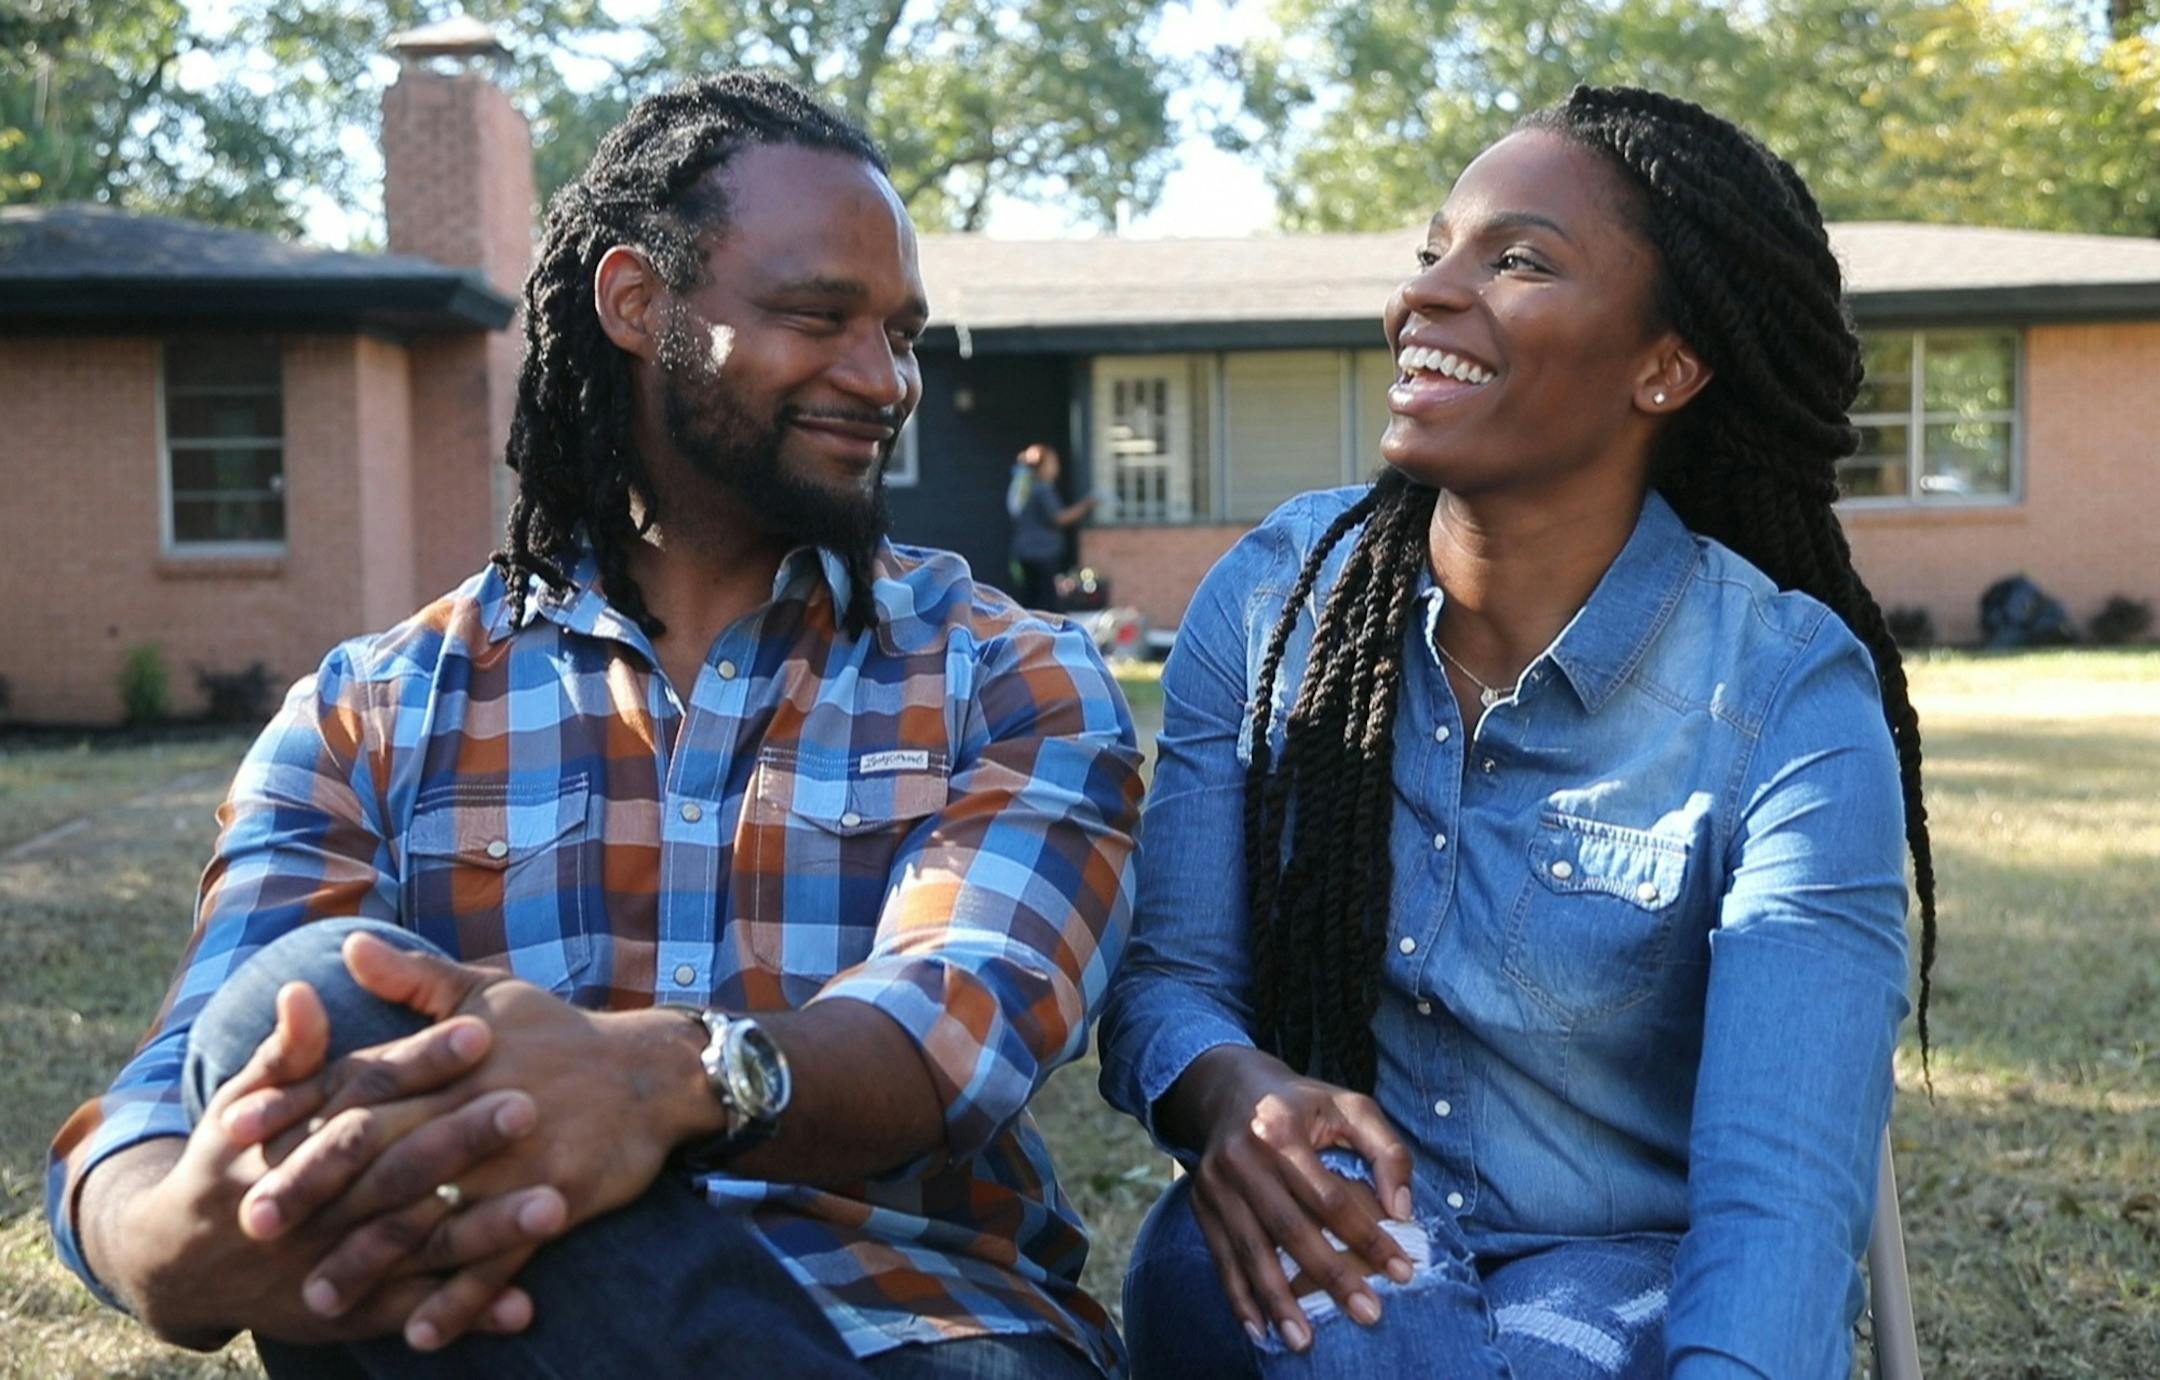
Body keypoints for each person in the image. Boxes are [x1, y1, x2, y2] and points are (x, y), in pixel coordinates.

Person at [47, 73, 1143, 1379]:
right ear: (637, 304)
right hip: (525, 1317)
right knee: (305, 1001)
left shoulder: (1009, 675)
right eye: (818, 317)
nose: (883, 378)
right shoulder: (373, 708)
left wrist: (666, 1081)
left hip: (914, 1328)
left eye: (901, 333)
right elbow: (176, 1086)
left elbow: (960, 1022)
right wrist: (154, 1238)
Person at [1098, 85, 1937, 1380]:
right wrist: (1229, 1093)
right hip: (1305, 1245)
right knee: (1351, 1315)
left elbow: (1777, 1208)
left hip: (1637, 1281)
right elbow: (1171, 985)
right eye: (1432, 250)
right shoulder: (1271, 604)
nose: (1424, 295)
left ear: (1666, 366)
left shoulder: (1785, 700)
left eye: (1519, 259)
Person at [1006, 443, 1097, 611]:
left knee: (1028, 601)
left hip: (1023, 553)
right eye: (1052, 463)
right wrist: (1087, 505)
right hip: (1041, 555)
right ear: (1042, 466)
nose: (1056, 468)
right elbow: (1058, 518)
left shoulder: (1023, 487)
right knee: (1045, 604)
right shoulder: (1041, 489)